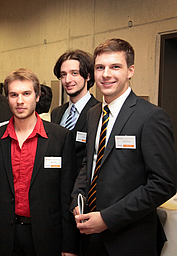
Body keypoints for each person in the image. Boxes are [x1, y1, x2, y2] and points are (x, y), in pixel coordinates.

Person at [71, 38, 177, 256]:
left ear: (130, 70)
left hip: (129, 239)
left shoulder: (151, 117)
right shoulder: (93, 114)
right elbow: (88, 164)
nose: (106, 74)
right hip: (90, 236)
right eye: (100, 67)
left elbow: (163, 183)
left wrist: (108, 219)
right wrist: (77, 199)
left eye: (115, 67)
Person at [0, 68, 79, 256]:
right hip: (5, 236)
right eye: (13, 95)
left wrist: (69, 245)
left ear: (37, 97)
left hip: (48, 236)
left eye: (26, 94)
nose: (20, 101)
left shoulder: (60, 137)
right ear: (7, 98)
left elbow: (67, 195)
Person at [51, 50, 99, 173]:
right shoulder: (57, 113)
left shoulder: (99, 112)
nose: (67, 80)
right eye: (63, 74)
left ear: (88, 76)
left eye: (74, 73)